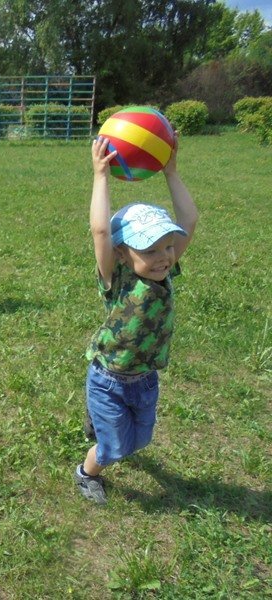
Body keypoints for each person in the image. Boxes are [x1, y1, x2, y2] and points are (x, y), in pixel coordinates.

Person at [75, 134, 199, 505]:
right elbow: (101, 230)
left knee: (140, 441)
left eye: (168, 246)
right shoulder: (117, 279)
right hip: (109, 378)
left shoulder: (165, 272)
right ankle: (86, 473)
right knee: (115, 447)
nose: (164, 257)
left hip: (145, 379)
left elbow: (189, 219)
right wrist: (100, 175)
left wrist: (171, 172)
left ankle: (99, 422)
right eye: (150, 249)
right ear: (121, 253)